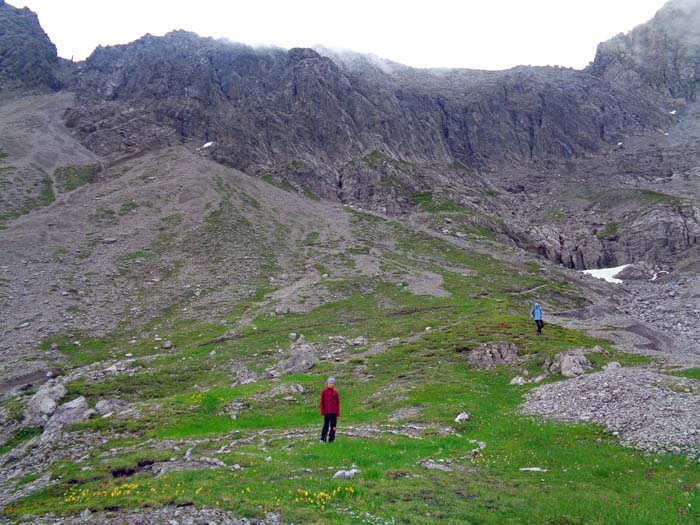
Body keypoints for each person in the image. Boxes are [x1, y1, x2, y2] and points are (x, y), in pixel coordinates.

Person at [320, 377, 340, 443]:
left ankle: (332, 439)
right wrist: (322, 411)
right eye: (330, 383)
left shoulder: (335, 393)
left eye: (332, 383)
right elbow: (322, 402)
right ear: (327, 383)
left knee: (333, 426)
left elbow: (337, 403)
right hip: (327, 412)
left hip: (334, 412)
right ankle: (323, 439)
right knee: (326, 426)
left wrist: (338, 412)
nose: (331, 384)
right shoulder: (324, 392)